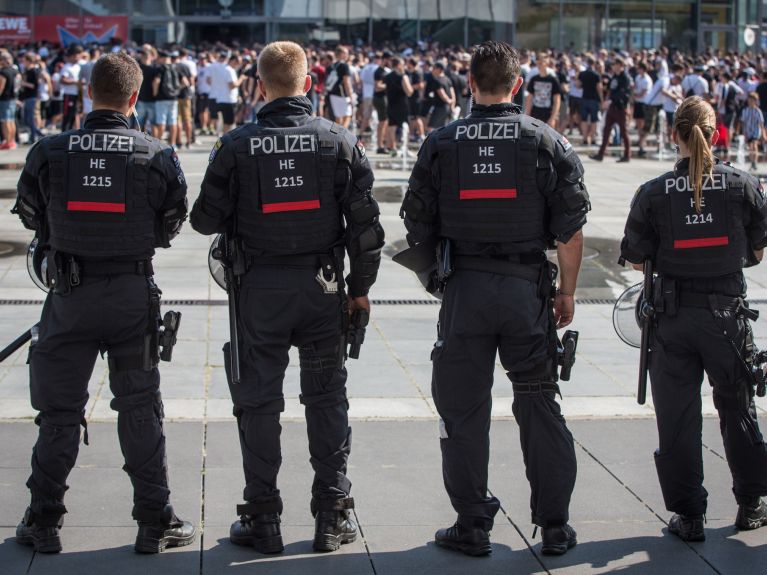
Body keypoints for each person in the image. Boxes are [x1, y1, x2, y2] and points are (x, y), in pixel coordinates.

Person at [190, 41, 384, 555]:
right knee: (326, 400)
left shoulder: (234, 145)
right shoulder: (338, 141)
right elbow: (367, 231)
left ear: (259, 86)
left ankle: (263, 518)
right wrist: (360, 291)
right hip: (322, 292)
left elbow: (203, 220)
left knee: (258, 404)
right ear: (308, 84)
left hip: (258, 296)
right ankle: (331, 515)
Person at [400, 40, 589, 557]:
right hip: (527, 291)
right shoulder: (545, 141)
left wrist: (440, 281)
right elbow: (571, 232)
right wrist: (567, 291)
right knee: (538, 402)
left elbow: (416, 226)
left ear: (469, 83)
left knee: (462, 410)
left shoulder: (441, 143)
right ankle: (553, 526)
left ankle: (472, 523)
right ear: (518, 85)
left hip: (465, 289)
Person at [11, 52, 195, 554]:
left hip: (69, 295)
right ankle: (155, 521)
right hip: (131, 295)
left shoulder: (49, 151)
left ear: (88, 92)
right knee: (140, 407)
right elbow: (171, 223)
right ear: (135, 99)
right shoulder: (157, 153)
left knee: (59, 412)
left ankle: (44, 520)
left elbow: (30, 214)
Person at [619, 95, 767, 542]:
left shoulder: (654, 192)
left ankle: (690, 515)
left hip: (673, 317)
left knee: (678, 418)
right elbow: (757, 253)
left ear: (674, 134)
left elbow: (633, 256)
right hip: (726, 315)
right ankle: (752, 503)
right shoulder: (742, 186)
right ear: (717, 133)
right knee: (737, 407)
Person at [590, 56, 632, 163]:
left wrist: (610, 100)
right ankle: (600, 154)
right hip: (612, 108)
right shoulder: (614, 77)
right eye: (613, 65)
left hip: (620, 108)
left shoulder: (625, 77)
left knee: (624, 132)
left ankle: (627, 155)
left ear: (620, 65)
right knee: (606, 131)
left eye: (615, 64)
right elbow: (610, 90)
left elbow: (623, 93)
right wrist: (606, 99)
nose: (613, 66)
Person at [740, 92, 765, 171]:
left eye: (752, 100)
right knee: (750, 147)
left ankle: (755, 162)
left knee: (754, 145)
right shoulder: (745, 110)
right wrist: (744, 133)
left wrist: (763, 134)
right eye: (749, 100)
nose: (750, 102)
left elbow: (761, 123)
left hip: (756, 131)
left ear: (755, 101)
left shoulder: (758, 111)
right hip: (748, 131)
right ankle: (752, 162)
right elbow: (743, 122)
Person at [0, 51, 19, 149]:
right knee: (11, 120)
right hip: (13, 98)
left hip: (4, 99)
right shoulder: (14, 71)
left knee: (5, 121)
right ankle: (12, 141)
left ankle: (7, 142)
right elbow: (18, 84)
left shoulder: (3, 72)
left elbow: (1, 87)